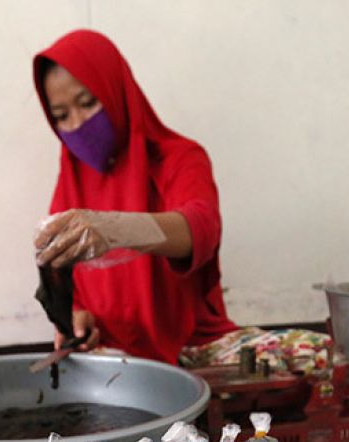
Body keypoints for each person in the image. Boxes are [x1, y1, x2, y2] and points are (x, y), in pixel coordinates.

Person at [32, 30, 237, 364]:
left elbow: (201, 228)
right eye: (61, 115)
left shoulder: (179, 157)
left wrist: (114, 229)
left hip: (192, 345)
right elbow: (69, 282)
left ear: (116, 89)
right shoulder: (71, 178)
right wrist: (78, 319)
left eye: (87, 103)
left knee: (312, 355)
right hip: (114, 354)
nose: (78, 123)